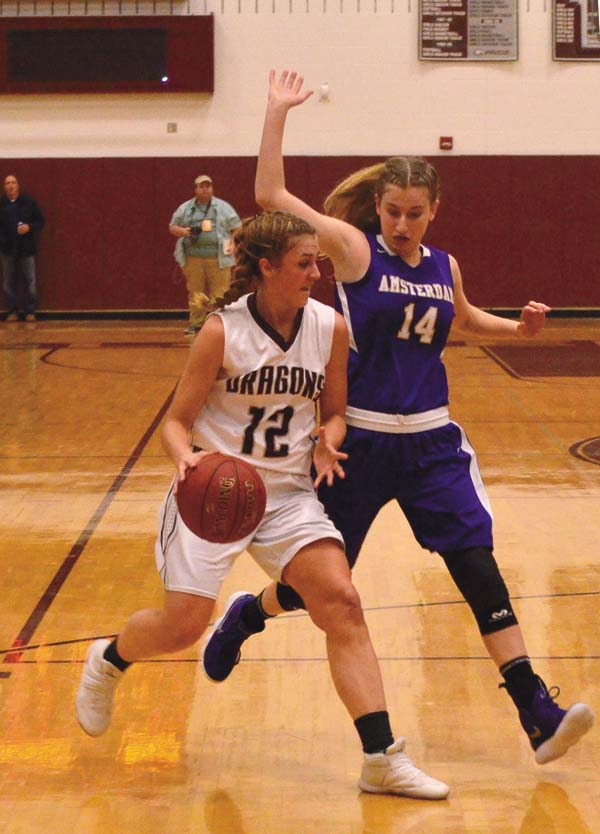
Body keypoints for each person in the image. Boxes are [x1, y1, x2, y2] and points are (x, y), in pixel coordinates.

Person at [201, 70, 595, 767]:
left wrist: (518, 330)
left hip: (433, 442)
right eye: (392, 212)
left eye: (414, 213)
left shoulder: (444, 264)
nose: (402, 224)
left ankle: (536, 710)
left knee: (477, 567)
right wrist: (275, 112)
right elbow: (270, 195)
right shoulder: (356, 253)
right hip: (360, 443)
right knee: (316, 589)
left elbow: (462, 319)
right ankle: (248, 613)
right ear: (378, 208)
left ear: (433, 210)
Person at [75, 209, 449, 800]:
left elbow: (334, 411)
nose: (317, 274)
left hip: (286, 495)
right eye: (304, 264)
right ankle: (110, 659)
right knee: (182, 628)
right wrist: (186, 459)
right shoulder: (221, 332)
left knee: (342, 602)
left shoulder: (329, 326)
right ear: (268, 268)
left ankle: (380, 757)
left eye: (318, 262)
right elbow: (175, 422)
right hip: (215, 492)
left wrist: (328, 439)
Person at [169, 175, 241, 335]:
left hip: (219, 258)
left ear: (212, 189)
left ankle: (220, 323)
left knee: (220, 292)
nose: (205, 189)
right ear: (195, 190)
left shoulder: (223, 207)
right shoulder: (185, 208)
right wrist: (183, 231)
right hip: (193, 258)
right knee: (196, 291)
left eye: (208, 186)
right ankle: (196, 324)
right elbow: (172, 226)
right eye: (201, 186)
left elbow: (237, 227)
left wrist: (232, 243)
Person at [0, 174, 45, 322]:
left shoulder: (29, 202)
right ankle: (12, 311)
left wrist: (29, 227)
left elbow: (40, 221)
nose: (11, 185)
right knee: (8, 283)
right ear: (4, 187)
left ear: (18, 185)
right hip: (7, 250)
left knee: (30, 281)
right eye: (8, 183)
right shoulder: (1, 204)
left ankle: (30, 311)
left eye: (13, 182)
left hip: (26, 249)